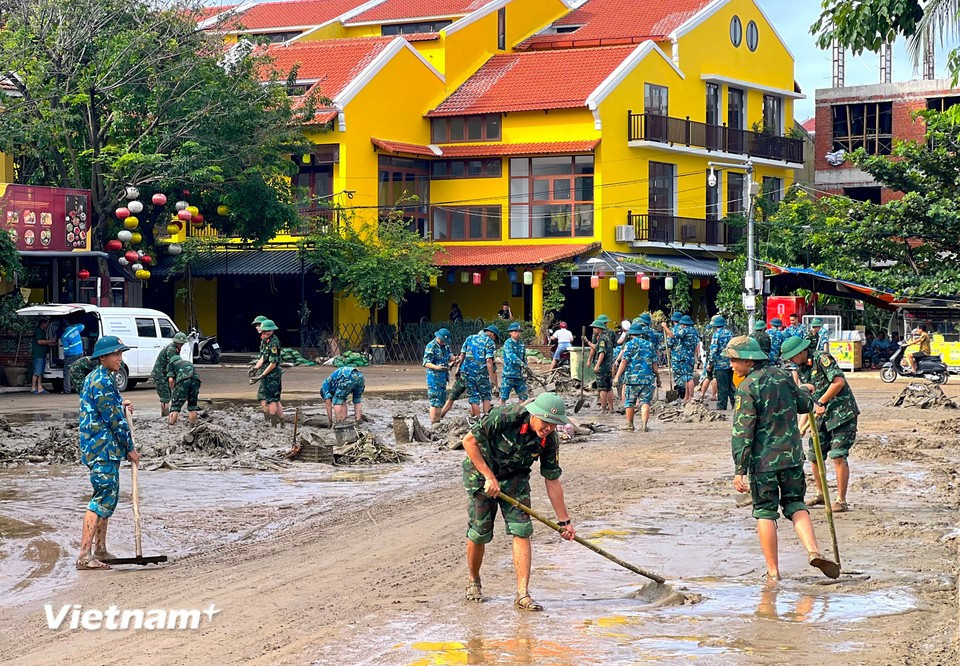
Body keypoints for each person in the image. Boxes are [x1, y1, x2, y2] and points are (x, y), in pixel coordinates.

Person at [726, 336, 840, 582]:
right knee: (796, 504)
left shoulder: (747, 388)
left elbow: (743, 432)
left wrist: (739, 468)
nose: (732, 365)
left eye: (734, 360)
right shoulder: (783, 377)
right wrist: (806, 392)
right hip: (791, 458)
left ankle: (773, 572)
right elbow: (804, 405)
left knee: (765, 511)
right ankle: (813, 550)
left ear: (748, 360)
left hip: (763, 462)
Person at [461, 393, 575, 611]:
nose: (548, 428)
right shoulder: (505, 416)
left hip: (515, 478)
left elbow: (552, 479)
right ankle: (473, 581)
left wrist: (564, 522)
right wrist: (488, 476)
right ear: (534, 414)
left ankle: (522, 594)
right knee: (480, 532)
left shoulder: (549, 440)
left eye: (554, 424)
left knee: (522, 530)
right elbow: (468, 441)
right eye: (545, 422)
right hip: (481, 474)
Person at [76, 336, 139, 571]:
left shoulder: (102, 378)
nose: (119, 358)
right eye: (115, 354)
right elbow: (113, 420)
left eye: (120, 354)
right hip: (102, 449)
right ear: (102, 357)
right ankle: (84, 554)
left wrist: (121, 406)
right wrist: (130, 449)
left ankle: (100, 549)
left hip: (105, 449)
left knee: (109, 497)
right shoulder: (101, 380)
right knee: (102, 497)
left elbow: (109, 409)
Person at [783, 336, 860, 513]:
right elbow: (808, 400)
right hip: (820, 418)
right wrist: (800, 427)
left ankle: (841, 500)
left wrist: (822, 402)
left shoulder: (821, 358)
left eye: (793, 357)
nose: (792, 361)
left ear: (802, 351)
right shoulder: (801, 369)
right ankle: (821, 494)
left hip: (842, 415)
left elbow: (838, 382)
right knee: (814, 456)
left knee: (838, 455)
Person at [614, 321, 659, 432]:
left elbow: (624, 361)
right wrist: (658, 377)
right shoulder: (650, 345)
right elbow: (654, 364)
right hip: (647, 379)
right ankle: (644, 425)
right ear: (641, 334)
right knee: (645, 402)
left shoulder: (629, 344)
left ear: (631, 334)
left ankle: (630, 425)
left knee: (630, 402)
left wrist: (617, 377)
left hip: (632, 379)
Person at [459, 326, 500, 417]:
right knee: (486, 396)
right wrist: (492, 378)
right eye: (495, 338)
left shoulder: (470, 338)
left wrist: (458, 369)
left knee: (473, 397)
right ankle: (486, 419)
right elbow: (489, 361)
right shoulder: (489, 342)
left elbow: (462, 355)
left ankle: (477, 420)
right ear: (492, 334)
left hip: (468, 373)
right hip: (482, 374)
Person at [250, 319, 284, 427]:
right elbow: (264, 357)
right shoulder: (266, 340)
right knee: (275, 399)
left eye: (266, 331)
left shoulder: (274, 343)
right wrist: (255, 368)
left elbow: (273, 364)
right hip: (267, 373)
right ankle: (282, 424)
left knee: (272, 400)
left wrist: (262, 375)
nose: (263, 333)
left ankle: (274, 426)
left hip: (272, 374)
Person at [152, 332, 188, 416]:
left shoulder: (176, 348)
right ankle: (165, 415)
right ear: (176, 342)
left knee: (167, 395)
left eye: (182, 344)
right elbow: (172, 364)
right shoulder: (171, 349)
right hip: (161, 374)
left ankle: (166, 414)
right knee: (165, 396)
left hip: (165, 373)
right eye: (180, 343)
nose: (181, 345)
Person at [423, 328, 455, 423]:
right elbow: (425, 363)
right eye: (443, 341)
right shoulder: (431, 346)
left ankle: (438, 421)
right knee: (434, 402)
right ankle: (433, 422)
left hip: (443, 378)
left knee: (441, 401)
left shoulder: (446, 346)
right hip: (434, 378)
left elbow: (449, 355)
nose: (444, 343)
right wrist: (437, 367)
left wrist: (454, 359)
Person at [660, 312, 690, 400]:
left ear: (673, 321)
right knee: (685, 375)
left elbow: (669, 343)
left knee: (678, 375)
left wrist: (660, 347)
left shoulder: (673, 330)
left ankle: (681, 393)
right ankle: (685, 393)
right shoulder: (684, 329)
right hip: (685, 356)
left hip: (676, 357)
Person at [587, 319, 614, 414]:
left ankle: (603, 409)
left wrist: (597, 365)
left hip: (603, 367)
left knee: (602, 389)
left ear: (600, 328)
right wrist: (588, 342)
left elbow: (601, 352)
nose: (593, 329)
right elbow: (596, 348)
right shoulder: (607, 337)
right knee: (609, 388)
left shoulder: (602, 339)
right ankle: (611, 408)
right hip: (609, 366)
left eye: (595, 328)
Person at [166, 356, 201, 427]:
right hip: (196, 380)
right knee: (192, 407)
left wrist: (174, 390)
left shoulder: (171, 364)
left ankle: (171, 427)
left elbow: (171, 380)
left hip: (184, 379)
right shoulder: (187, 362)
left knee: (175, 407)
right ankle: (192, 428)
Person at [707, 316, 734, 410]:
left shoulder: (716, 335)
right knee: (731, 385)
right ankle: (735, 404)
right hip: (730, 363)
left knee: (722, 386)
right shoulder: (730, 333)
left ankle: (722, 405)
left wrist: (710, 363)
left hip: (720, 364)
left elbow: (713, 351)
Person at [500, 322, 529, 405]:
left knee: (523, 396)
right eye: (515, 331)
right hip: (509, 375)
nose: (517, 333)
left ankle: (518, 413)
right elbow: (511, 357)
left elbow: (524, 357)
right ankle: (501, 414)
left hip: (519, 375)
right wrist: (522, 364)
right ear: (510, 332)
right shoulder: (508, 343)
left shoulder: (521, 343)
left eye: (519, 332)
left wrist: (526, 367)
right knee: (503, 396)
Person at [61, 318, 85, 394]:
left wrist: (65, 358)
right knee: (79, 369)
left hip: (71, 354)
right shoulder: (75, 328)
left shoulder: (64, 336)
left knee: (67, 370)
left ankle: (67, 390)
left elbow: (66, 349)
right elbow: (82, 326)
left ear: (63, 328)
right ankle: (82, 388)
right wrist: (75, 325)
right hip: (80, 352)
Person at [31, 318, 53, 394]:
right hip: (38, 354)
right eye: (46, 324)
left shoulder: (43, 332)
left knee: (40, 372)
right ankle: (33, 387)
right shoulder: (38, 331)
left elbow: (45, 342)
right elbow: (40, 342)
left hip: (42, 354)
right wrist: (50, 341)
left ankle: (40, 387)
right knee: (37, 372)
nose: (47, 325)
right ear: (42, 324)